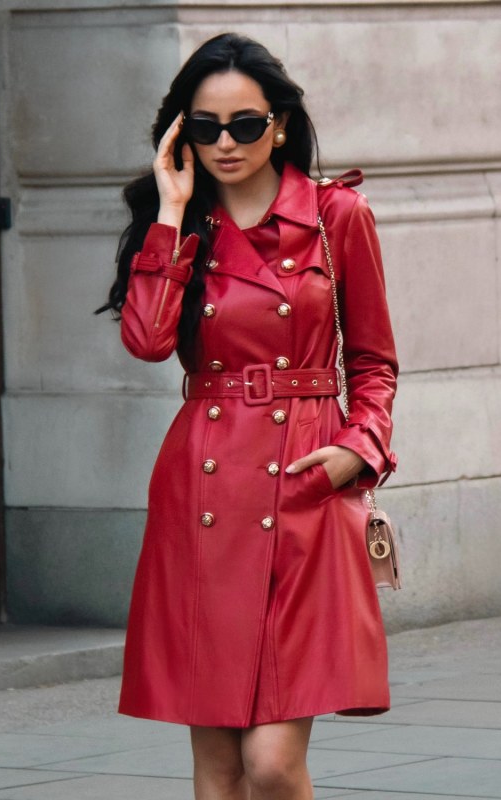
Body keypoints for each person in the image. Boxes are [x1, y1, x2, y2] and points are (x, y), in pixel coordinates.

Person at [97, 32, 398, 800]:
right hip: (205, 495)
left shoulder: (338, 216)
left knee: (271, 763)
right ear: (181, 136)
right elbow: (146, 341)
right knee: (220, 767)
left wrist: (358, 452)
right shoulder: (180, 228)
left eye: (244, 124)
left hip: (305, 485)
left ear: (281, 124)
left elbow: (373, 364)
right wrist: (167, 213)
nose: (225, 143)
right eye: (205, 127)